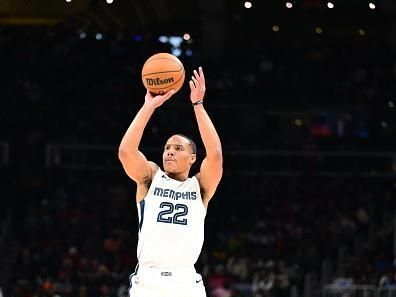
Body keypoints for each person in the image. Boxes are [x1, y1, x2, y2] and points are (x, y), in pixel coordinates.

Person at [118, 66, 223, 297]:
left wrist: (198, 105)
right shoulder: (150, 178)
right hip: (148, 282)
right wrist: (149, 106)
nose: (169, 152)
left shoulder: (200, 187)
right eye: (166, 148)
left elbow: (215, 155)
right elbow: (126, 151)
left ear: (192, 158)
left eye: (178, 148)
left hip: (185, 282)